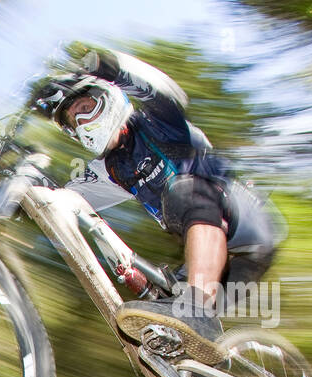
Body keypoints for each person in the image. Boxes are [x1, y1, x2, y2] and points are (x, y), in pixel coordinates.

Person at [28, 46, 279, 348]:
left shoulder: (157, 124)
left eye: (84, 108)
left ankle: (197, 308)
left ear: (107, 99)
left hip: (248, 224)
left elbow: (166, 94)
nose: (82, 125)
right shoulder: (110, 169)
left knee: (182, 192)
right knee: (163, 314)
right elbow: (63, 199)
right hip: (219, 264)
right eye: (73, 121)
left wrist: (110, 68)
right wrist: (17, 183)